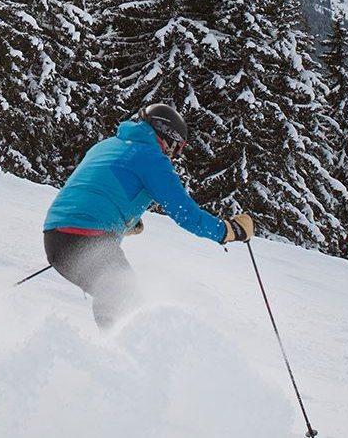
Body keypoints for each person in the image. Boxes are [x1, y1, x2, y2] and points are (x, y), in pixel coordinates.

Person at [41, 102, 254, 328]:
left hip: (56, 237)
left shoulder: (107, 145)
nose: (173, 155)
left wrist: (121, 222)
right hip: (86, 237)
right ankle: (112, 357)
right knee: (125, 300)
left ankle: (113, 352)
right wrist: (229, 231)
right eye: (176, 148)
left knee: (121, 298)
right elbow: (185, 213)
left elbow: (97, 185)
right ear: (168, 138)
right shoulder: (151, 157)